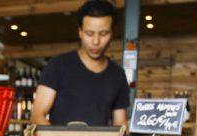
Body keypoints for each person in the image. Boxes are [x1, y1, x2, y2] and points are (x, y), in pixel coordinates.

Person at [30, 0, 129, 128]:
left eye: (103, 34)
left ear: (111, 34)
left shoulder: (118, 74)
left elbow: (120, 124)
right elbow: (37, 116)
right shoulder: (58, 65)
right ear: (80, 32)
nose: (96, 41)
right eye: (89, 33)